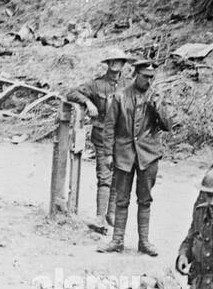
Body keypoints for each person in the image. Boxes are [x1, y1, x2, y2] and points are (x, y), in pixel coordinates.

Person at [98, 59, 173, 256]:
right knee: (121, 200)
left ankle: (144, 242)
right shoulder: (120, 96)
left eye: (151, 77)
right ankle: (117, 240)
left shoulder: (157, 97)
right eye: (144, 76)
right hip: (124, 155)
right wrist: (107, 153)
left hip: (148, 156)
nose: (148, 81)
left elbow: (167, 125)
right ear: (135, 75)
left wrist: (158, 106)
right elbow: (109, 127)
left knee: (145, 199)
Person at [65, 49, 131, 233]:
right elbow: (71, 93)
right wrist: (88, 102)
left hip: (122, 138)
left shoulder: (129, 85)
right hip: (102, 136)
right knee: (104, 175)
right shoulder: (97, 84)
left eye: (118, 61)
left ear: (123, 64)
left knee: (119, 176)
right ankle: (100, 217)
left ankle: (111, 214)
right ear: (107, 63)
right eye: (112, 61)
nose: (115, 65)